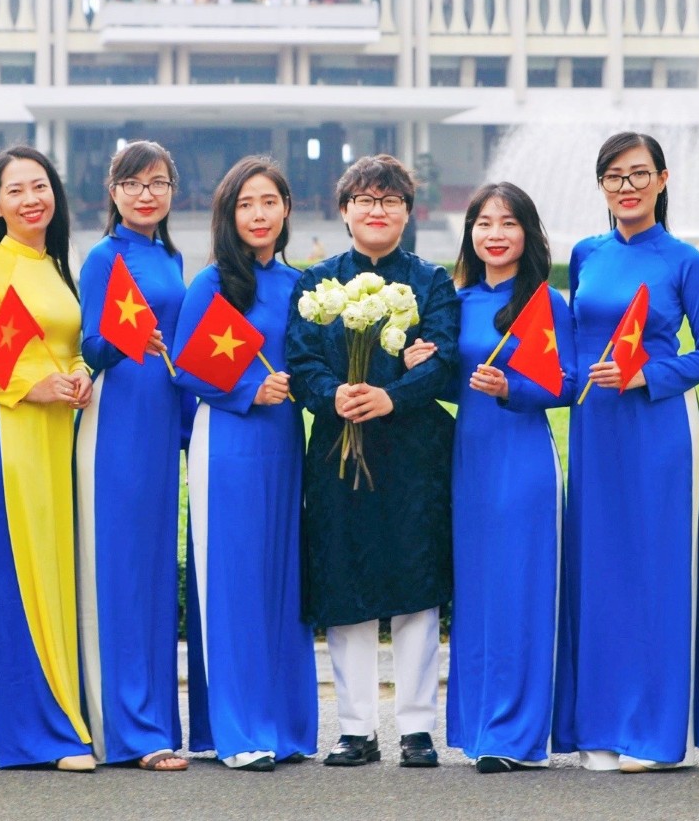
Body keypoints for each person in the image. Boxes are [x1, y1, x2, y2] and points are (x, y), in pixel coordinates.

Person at [553, 133, 699, 772]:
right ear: (601, 185)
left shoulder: (683, 260)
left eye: (638, 174)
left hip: (659, 427)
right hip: (594, 429)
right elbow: (574, 346)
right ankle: (598, 725)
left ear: (662, 179)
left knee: (657, 571)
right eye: (614, 176)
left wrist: (645, 376)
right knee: (598, 570)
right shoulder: (586, 254)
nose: (627, 187)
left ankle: (656, 735)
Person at [286, 154, 459, 769]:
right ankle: (356, 727)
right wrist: (331, 394)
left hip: (413, 451)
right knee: (346, 581)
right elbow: (300, 359)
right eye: (365, 199)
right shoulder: (318, 283)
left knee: (416, 586)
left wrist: (394, 396)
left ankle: (417, 727)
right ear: (344, 210)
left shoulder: (431, 283)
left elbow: (443, 358)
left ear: (408, 212)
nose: (377, 210)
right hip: (339, 448)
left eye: (390, 200)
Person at [0, 146, 95, 771]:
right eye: (16, 190)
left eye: (40, 186)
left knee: (48, 582)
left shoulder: (55, 264)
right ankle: (41, 736)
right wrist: (29, 389)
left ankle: (9, 727)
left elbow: (67, 346)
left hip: (55, 442)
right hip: (7, 444)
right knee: (18, 585)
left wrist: (80, 374)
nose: (32, 199)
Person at [179, 156, 319, 771]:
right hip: (228, 443)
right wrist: (246, 390)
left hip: (285, 445)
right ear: (228, 214)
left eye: (269, 202)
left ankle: (285, 725)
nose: (258, 214)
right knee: (233, 581)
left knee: (280, 580)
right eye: (245, 204)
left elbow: (316, 362)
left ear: (286, 209)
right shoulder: (211, 284)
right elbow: (185, 366)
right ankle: (238, 732)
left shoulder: (301, 286)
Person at [442, 183, 574, 773]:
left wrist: (512, 387)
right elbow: (456, 384)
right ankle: (478, 728)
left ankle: (517, 736)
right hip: (468, 461)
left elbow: (569, 383)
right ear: (470, 233)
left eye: (508, 223)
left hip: (522, 460)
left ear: (528, 233)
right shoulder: (457, 301)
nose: (495, 234)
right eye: (484, 223)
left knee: (520, 590)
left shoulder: (546, 302)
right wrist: (423, 365)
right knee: (476, 595)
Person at [75, 141, 189, 771]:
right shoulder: (103, 257)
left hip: (160, 425)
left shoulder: (171, 257)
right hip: (117, 421)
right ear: (113, 191)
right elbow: (91, 346)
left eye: (159, 183)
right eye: (134, 184)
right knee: (119, 573)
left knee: (152, 574)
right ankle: (126, 732)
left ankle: (156, 721)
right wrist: (127, 339)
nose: (147, 194)